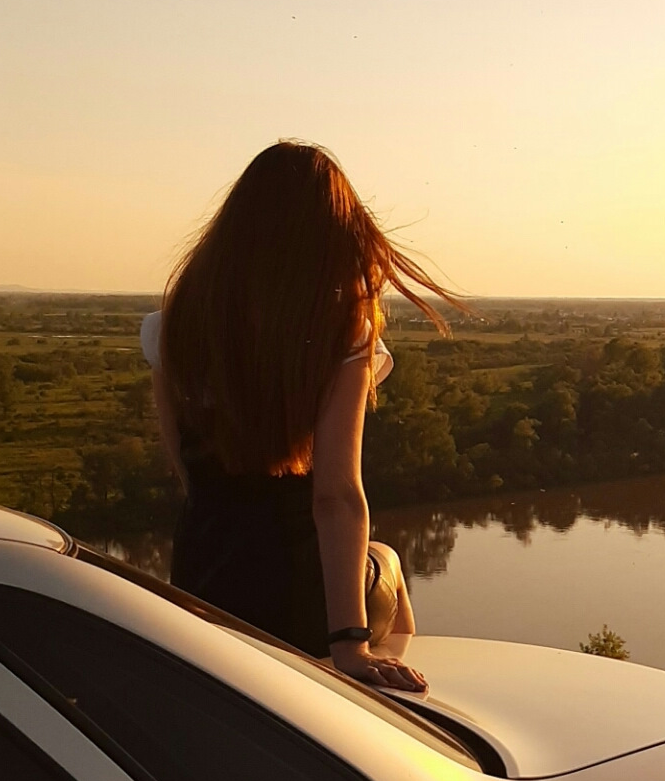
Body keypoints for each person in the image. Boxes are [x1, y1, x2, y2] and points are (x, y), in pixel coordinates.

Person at [141, 141, 452, 690]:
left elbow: (189, 476)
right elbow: (336, 497)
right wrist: (349, 645)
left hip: (202, 602)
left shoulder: (171, 329)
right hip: (303, 609)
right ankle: (409, 706)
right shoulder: (342, 334)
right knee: (389, 561)